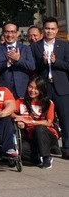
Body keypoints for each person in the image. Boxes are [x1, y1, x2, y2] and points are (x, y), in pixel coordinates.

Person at [30, 17, 69, 159]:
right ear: (43, 30)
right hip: (44, 87)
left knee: (65, 119)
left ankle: (66, 148)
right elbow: (32, 66)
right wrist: (43, 61)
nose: (50, 31)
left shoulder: (64, 45)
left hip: (61, 87)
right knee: (43, 118)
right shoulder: (35, 46)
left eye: (52, 29)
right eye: (47, 28)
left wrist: (56, 62)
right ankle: (44, 149)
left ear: (57, 30)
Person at [13, 76, 58, 168]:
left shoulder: (48, 103)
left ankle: (46, 157)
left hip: (47, 134)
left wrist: (30, 121)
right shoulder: (20, 101)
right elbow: (9, 112)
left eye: (36, 88)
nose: (32, 90)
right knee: (19, 149)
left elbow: (48, 122)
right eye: (30, 87)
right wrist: (18, 118)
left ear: (41, 90)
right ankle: (36, 158)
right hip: (29, 136)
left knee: (39, 128)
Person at [0, 22, 35, 99]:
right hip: (4, 89)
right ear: (2, 33)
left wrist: (18, 59)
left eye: (13, 32)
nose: (10, 35)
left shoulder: (26, 48)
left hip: (22, 89)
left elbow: (32, 66)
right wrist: (8, 62)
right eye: (7, 32)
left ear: (17, 33)